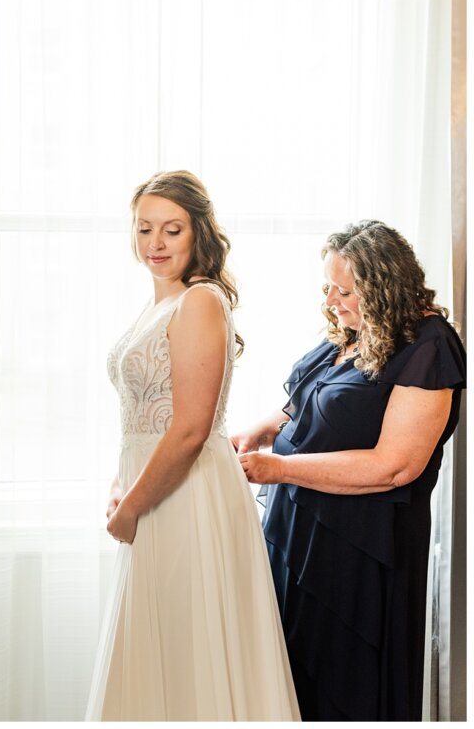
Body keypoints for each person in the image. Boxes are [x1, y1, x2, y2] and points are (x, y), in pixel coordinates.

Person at [85, 170, 299, 720]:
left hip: (186, 497)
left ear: (197, 233)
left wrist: (131, 507)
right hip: (153, 488)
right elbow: (141, 416)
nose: (155, 243)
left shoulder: (199, 302)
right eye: (145, 228)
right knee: (160, 647)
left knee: (187, 646)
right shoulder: (157, 306)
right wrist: (120, 482)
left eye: (172, 230)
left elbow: (190, 429)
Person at [234, 220, 465, 721]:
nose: (332, 300)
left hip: (359, 548)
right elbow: (314, 405)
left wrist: (280, 469)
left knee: (344, 688)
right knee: (289, 682)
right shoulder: (355, 332)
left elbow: (394, 466)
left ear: (385, 287)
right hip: (299, 530)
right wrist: (260, 430)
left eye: (345, 290)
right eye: (328, 287)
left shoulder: (428, 346)